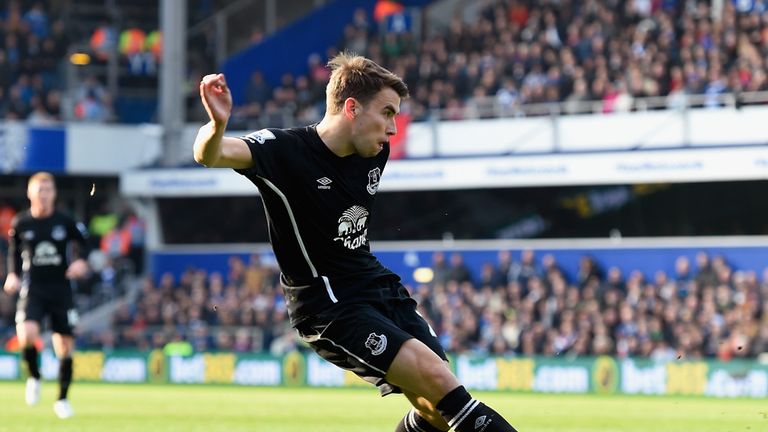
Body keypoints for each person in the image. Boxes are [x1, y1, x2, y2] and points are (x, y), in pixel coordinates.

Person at [193, 52, 518, 432]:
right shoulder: (284, 151)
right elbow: (210, 154)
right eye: (387, 113)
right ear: (351, 108)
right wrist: (217, 124)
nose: (393, 128)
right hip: (328, 303)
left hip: (374, 284)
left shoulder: (375, 153)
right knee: (440, 382)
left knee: (435, 407)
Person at [3, 172, 89, 419]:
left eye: (48, 190)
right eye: (39, 190)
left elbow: (85, 243)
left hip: (61, 288)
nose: (44, 194)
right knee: (26, 334)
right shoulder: (21, 223)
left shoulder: (65, 220)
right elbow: (13, 252)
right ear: (30, 193)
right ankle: (34, 376)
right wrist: (13, 275)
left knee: (64, 346)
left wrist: (81, 262)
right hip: (35, 288)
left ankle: (62, 399)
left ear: (54, 193)